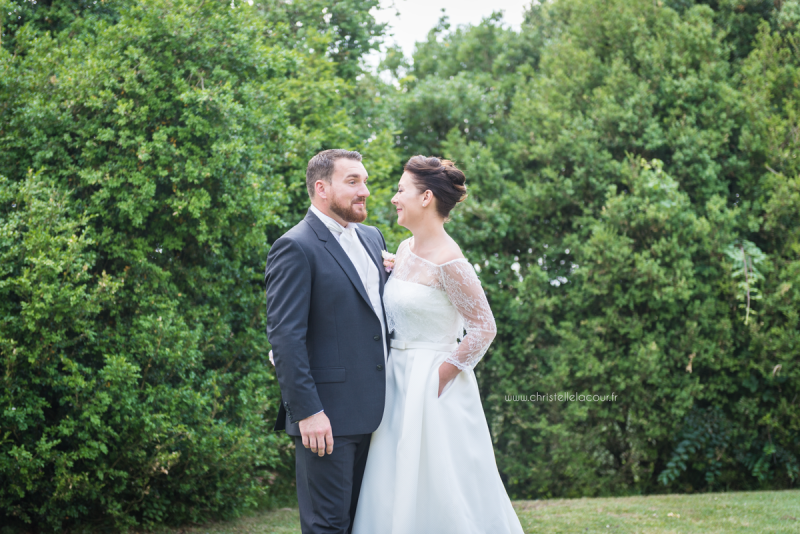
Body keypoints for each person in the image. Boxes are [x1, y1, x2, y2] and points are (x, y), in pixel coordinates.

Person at [352, 156, 524, 534]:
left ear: (426, 197)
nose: (394, 198)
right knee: (393, 477)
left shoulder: (451, 262)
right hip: (395, 381)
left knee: (441, 483)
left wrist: (441, 375)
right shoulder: (404, 249)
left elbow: (484, 327)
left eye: (401, 190)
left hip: (432, 387)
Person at [265, 149, 390, 534]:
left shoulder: (373, 238)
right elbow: (286, 337)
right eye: (353, 181)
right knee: (328, 526)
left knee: (369, 524)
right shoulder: (294, 246)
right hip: (328, 419)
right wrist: (308, 412)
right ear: (321, 188)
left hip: (383, 417)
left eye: (365, 181)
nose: (364, 190)